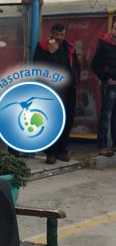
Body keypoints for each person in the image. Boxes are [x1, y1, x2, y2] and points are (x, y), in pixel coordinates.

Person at [34, 23, 80, 163]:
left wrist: (75, 80)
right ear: (51, 33)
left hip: (67, 88)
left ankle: (62, 150)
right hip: (51, 89)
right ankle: (51, 153)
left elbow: (76, 66)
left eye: (62, 35)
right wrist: (49, 53)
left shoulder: (69, 47)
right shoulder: (43, 46)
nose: (59, 37)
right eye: (57, 34)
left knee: (67, 120)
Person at [91, 20, 116, 154]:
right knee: (106, 115)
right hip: (109, 85)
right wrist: (107, 78)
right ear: (111, 29)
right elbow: (94, 65)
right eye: (115, 29)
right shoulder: (104, 44)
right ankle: (103, 146)